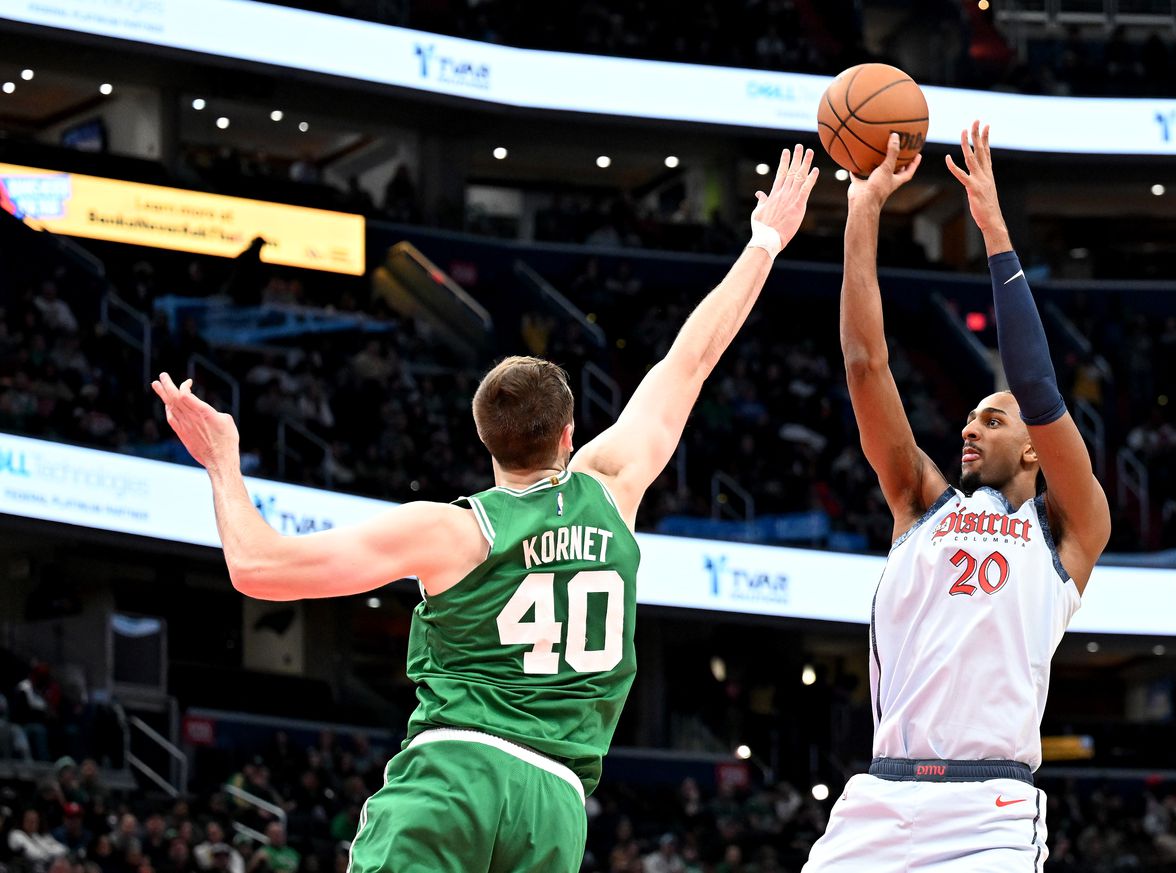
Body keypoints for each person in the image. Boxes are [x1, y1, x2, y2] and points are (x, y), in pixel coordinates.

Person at [152, 145, 820, 873]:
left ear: (485, 440)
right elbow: (690, 359)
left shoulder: (452, 530)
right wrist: (765, 239)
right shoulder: (613, 488)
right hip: (556, 805)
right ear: (571, 433)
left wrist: (223, 460)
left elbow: (257, 567)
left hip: (455, 777)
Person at [803, 125, 1111, 871]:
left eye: (992, 418)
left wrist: (995, 232)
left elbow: (1037, 387)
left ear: (1035, 444)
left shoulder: (1069, 529)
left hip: (989, 813)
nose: (969, 427)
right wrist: (864, 209)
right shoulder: (918, 502)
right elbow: (864, 361)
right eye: (969, 416)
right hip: (879, 799)